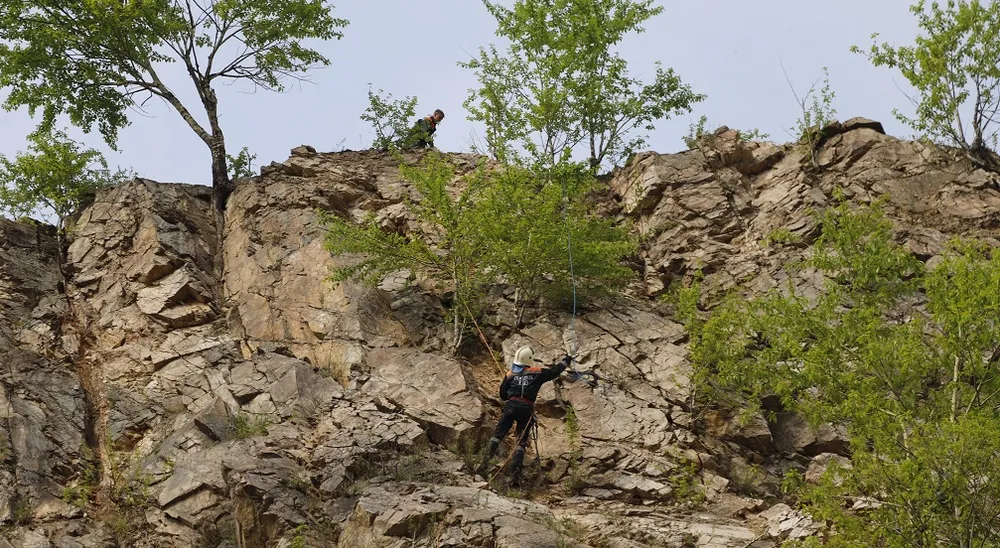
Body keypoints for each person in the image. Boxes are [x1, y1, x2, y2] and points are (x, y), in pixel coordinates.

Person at [476, 346, 571, 484]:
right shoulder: (538, 372)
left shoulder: (510, 375)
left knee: (497, 436)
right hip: (526, 409)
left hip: (511, 406)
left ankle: (482, 465)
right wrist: (566, 360)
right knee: (521, 442)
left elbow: (502, 396)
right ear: (529, 360)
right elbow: (554, 371)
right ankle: (514, 475)